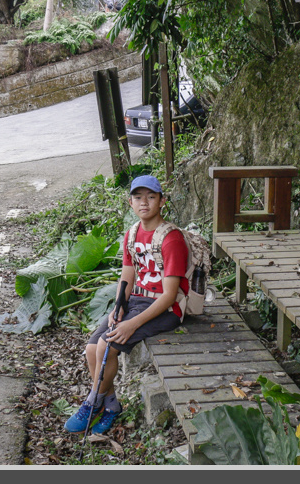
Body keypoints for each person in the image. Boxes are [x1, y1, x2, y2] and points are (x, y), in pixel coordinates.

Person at [64, 174, 189, 435]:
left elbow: (169, 295)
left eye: (151, 197)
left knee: (106, 347)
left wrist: (131, 324)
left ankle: (93, 402)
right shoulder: (132, 233)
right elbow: (127, 274)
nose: (144, 202)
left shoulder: (171, 239)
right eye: (138, 197)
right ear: (130, 202)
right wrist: (119, 306)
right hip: (135, 302)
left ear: (162, 201)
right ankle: (111, 405)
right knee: (91, 349)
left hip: (165, 308)